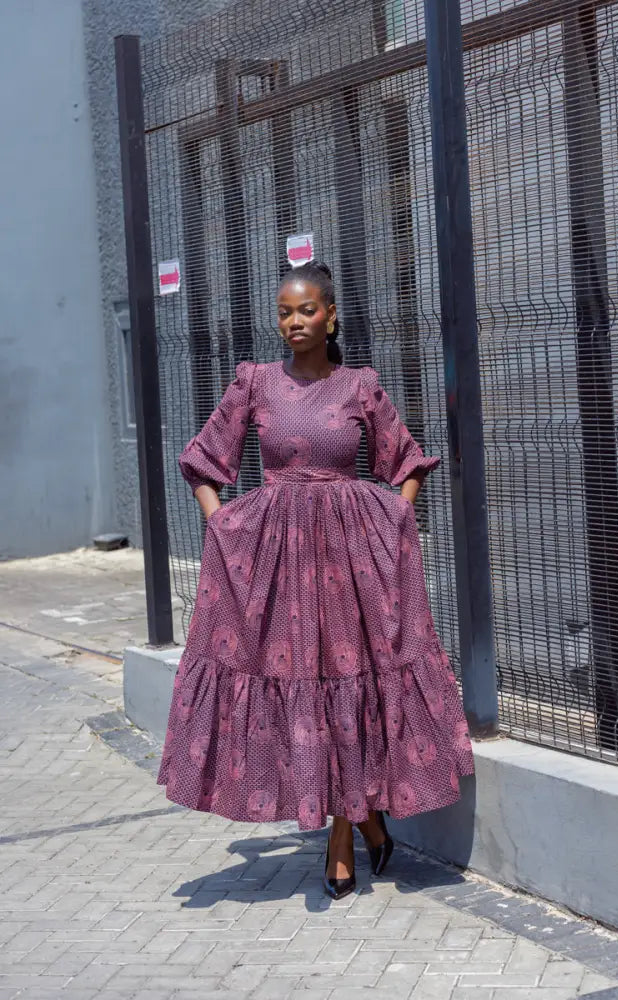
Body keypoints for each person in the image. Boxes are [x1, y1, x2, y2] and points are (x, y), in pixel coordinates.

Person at [158, 261, 474, 900]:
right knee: (303, 684)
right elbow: (202, 460)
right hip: (279, 564)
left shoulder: (360, 386)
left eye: (306, 310)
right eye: (284, 312)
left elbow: (407, 460)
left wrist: (394, 517)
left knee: (347, 681)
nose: (294, 322)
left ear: (331, 316)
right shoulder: (255, 383)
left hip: (350, 562)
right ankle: (364, 818)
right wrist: (221, 524)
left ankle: (341, 837)